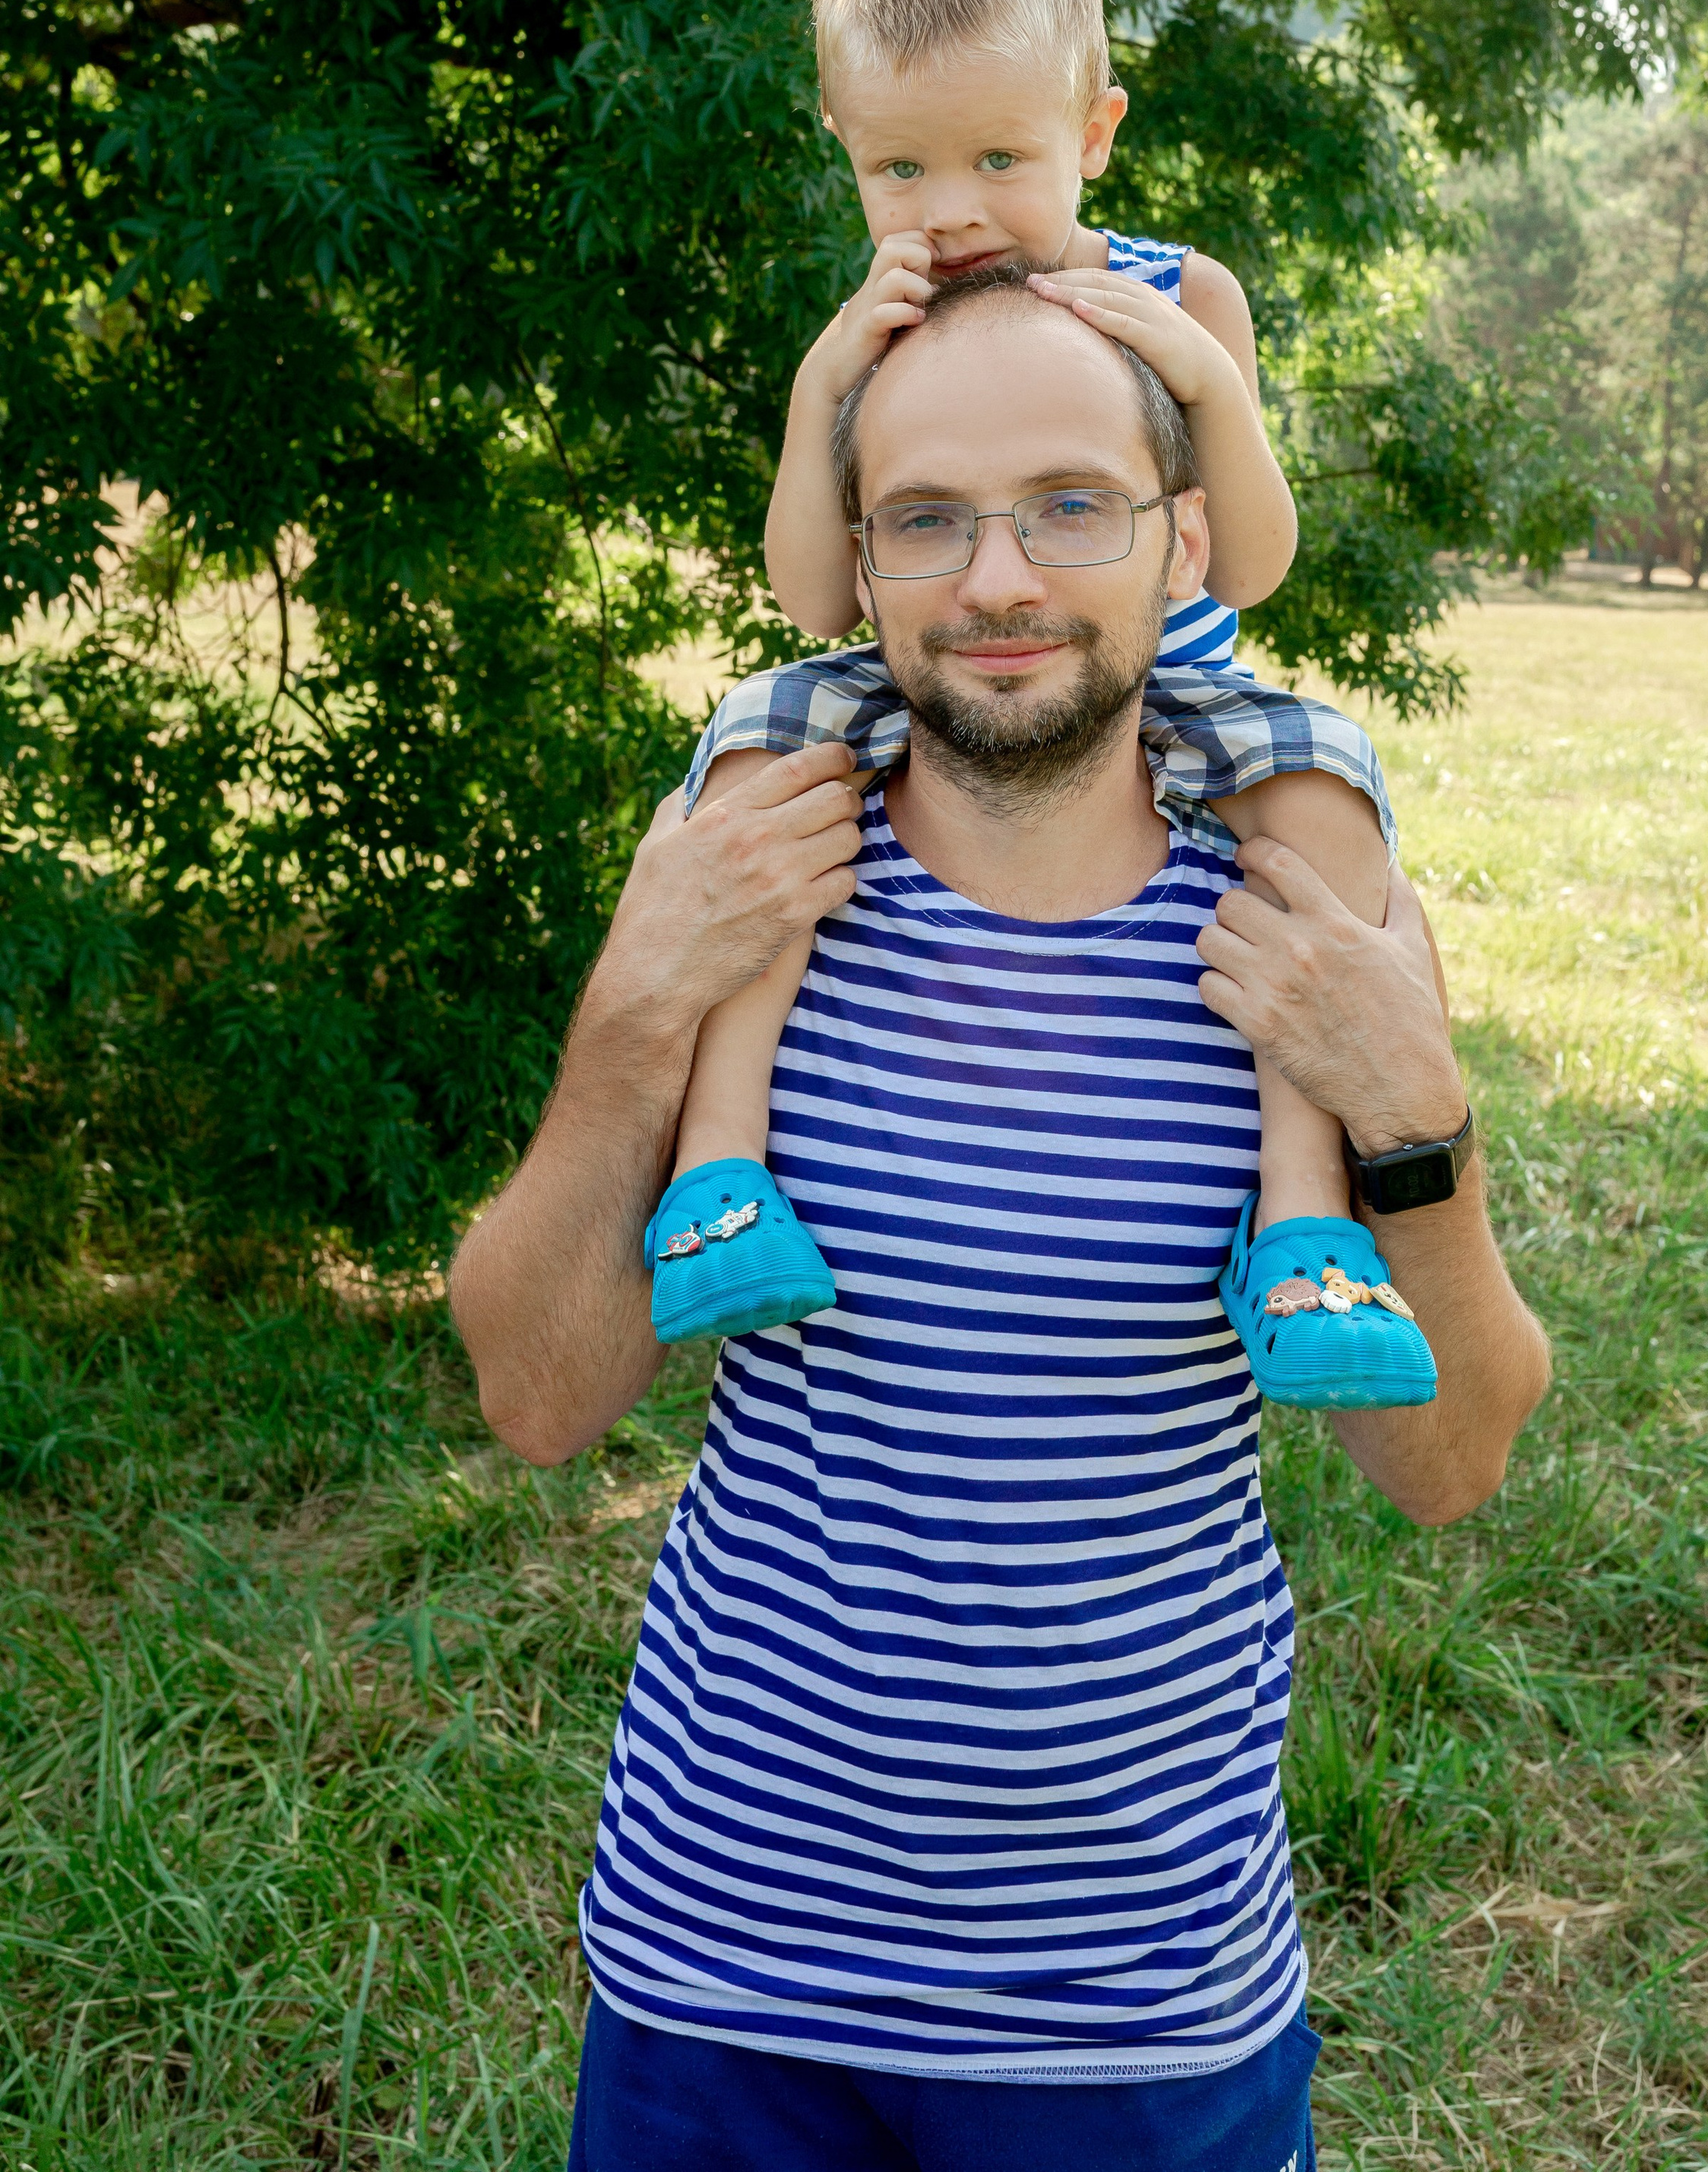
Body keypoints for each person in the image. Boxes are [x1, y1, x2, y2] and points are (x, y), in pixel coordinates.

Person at [448, 270, 1551, 2172]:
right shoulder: (746, 881)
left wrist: (1412, 1114)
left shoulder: (1301, 926)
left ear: (1177, 536)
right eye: (926, 520)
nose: (997, 582)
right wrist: (639, 1006)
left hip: (1141, 2004)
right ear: (854, 564)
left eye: (1067, 505)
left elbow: (1446, 1462)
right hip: (727, 1973)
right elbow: (541, 1401)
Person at [651, 0, 1429, 1411]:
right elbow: (814, 601)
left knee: (1321, 800)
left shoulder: (1178, 288)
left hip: (1169, 685)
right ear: (845, 153)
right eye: (898, 172)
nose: (950, 215)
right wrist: (821, 395)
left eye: (1000, 158)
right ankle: (718, 1178)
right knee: (759, 767)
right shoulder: (877, 321)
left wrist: (1202, 386)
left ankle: (1301, 1230)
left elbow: (1253, 567)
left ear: (1092, 131)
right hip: (924, 675)